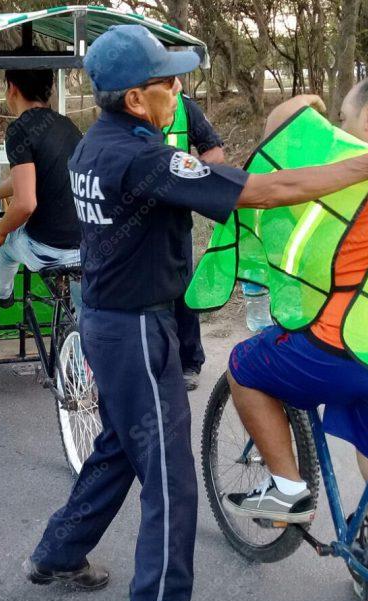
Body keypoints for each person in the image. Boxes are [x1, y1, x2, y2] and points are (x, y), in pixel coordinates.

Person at [21, 27, 368, 601]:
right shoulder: (145, 157)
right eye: (167, 83)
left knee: (120, 448)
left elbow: (209, 176)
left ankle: (58, 552)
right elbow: (266, 192)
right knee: (172, 477)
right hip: (133, 327)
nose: (178, 90)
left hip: (110, 319)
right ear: (136, 98)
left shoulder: (95, 147)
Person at [223, 74, 368, 532]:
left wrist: (305, 101)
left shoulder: (361, 166)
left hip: (351, 345)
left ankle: (287, 491)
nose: (341, 129)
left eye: (345, 118)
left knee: (242, 365)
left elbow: (279, 134)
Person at [0, 68, 83, 308]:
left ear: (12, 88)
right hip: (83, 245)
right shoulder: (66, 125)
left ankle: (1, 296)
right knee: (81, 321)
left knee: (8, 247)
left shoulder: (19, 130)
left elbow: (25, 203)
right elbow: (25, 180)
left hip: (46, 247)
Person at [163, 91, 225, 390]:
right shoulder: (128, 102)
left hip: (175, 218)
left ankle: (189, 361)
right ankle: (158, 359)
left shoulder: (185, 106)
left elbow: (214, 153)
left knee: (182, 287)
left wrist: (186, 177)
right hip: (135, 216)